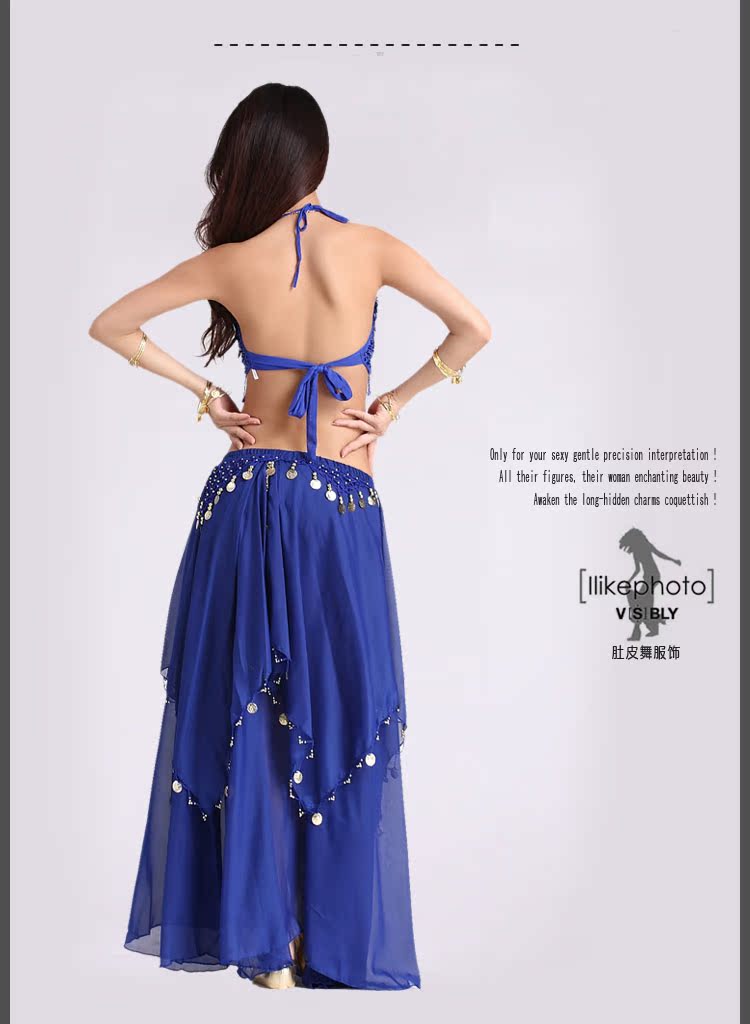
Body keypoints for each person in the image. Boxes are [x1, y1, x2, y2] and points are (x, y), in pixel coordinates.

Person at [89, 82, 491, 991]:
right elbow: (474, 328)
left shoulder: (232, 260)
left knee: (250, 709)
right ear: (318, 159)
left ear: (249, 162)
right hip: (339, 506)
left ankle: (266, 944)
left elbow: (111, 325)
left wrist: (205, 395)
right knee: (339, 706)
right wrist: (397, 402)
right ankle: (324, 939)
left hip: (246, 495)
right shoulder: (371, 246)